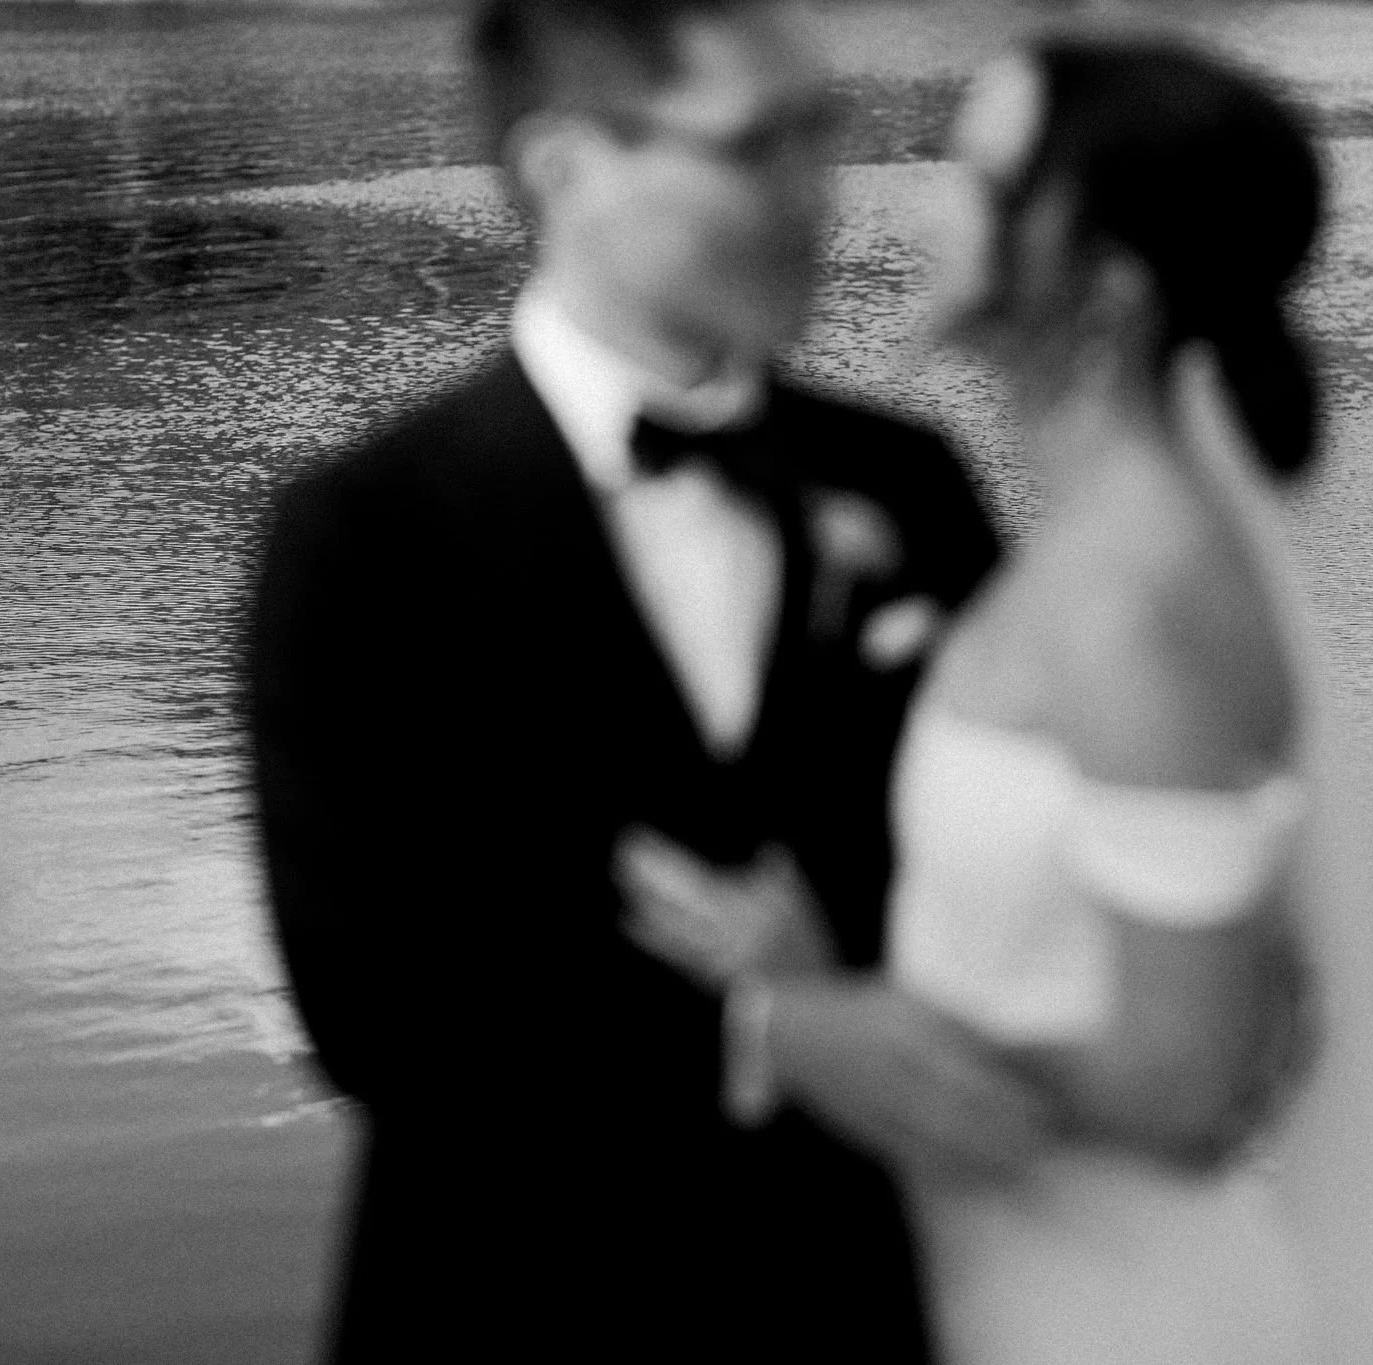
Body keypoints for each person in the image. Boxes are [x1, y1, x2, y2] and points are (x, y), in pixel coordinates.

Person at [622, 33, 1373, 1365]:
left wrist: (846, 1030)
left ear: (1108, 288)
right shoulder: (1087, 552)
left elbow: (1190, 1080)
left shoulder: (1136, 611)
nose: (918, 201)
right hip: (1002, 1271)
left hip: (1118, 1307)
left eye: (980, 177)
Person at [244, 1, 1050, 1358]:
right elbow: (372, 1015)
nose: (819, 197)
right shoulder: (368, 535)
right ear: (563, 166)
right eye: (757, 146)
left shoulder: (907, 487)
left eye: (823, 134)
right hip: (505, 1298)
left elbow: (1016, 869)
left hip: (849, 1298)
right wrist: (769, 1037)